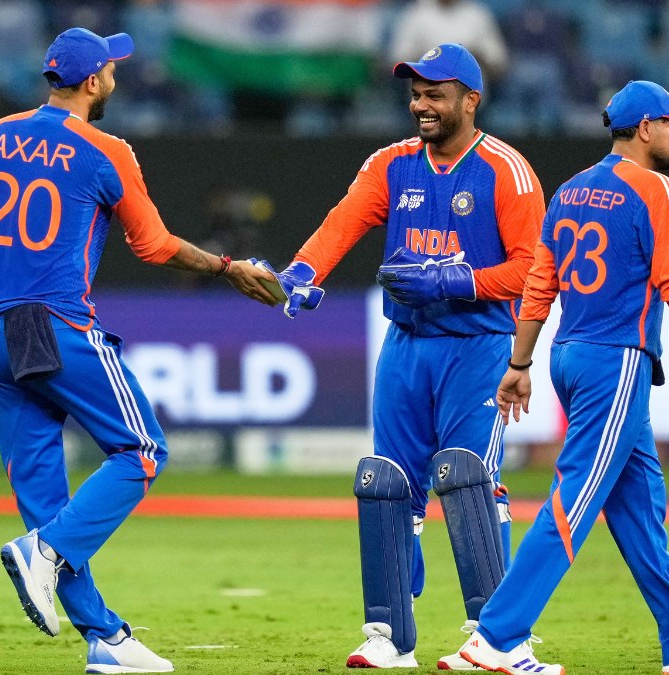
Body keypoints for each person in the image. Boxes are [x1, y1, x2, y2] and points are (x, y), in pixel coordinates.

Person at [0, 27, 275, 674]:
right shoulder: (106, 150)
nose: (117, 79)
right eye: (112, 70)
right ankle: (45, 553)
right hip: (55, 324)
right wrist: (225, 265)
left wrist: (3, 310)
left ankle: (106, 640)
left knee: (45, 500)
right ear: (93, 81)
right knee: (142, 449)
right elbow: (153, 245)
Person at [452, 80, 669, 675]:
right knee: (574, 499)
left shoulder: (570, 189)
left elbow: (540, 282)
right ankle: (495, 637)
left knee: (639, 505)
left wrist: (520, 363)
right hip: (615, 361)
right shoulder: (656, 188)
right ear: (645, 128)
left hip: (570, 355)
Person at [252, 43, 545, 670]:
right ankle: (389, 634)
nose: (420, 105)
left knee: (469, 479)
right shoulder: (391, 163)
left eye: (435, 94)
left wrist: (452, 280)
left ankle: (498, 636)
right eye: (415, 94)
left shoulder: (506, 170)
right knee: (387, 486)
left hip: (477, 348)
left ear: (471, 99)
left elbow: (532, 270)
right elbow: (342, 223)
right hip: (406, 347)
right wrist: (301, 273)